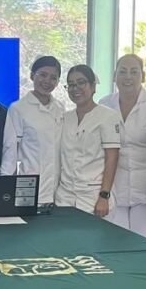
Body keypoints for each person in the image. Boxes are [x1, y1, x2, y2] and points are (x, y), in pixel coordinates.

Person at [101, 55, 146, 237]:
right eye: (122, 72)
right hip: (113, 188)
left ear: (143, 75)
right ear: (114, 76)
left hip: (145, 190)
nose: (128, 77)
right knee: (113, 240)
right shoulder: (104, 105)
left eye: (134, 72)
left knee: (142, 241)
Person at [54, 65, 121, 217]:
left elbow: (112, 158)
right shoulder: (66, 118)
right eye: (71, 84)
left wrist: (104, 196)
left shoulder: (108, 116)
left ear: (93, 86)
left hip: (94, 198)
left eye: (81, 82)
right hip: (64, 197)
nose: (75, 88)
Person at [0, 55, 65, 205]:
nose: (47, 81)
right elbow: (10, 150)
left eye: (53, 78)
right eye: (42, 75)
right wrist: (5, 185)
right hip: (29, 186)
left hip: (58, 190)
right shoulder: (18, 109)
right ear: (32, 75)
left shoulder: (60, 108)